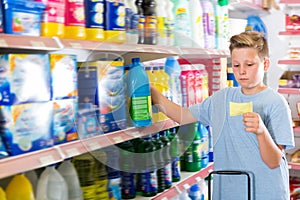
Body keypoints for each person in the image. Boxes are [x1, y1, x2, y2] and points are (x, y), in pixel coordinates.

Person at [150, 31, 295, 200]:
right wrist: (153, 92)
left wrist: (262, 132)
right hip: (229, 191)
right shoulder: (221, 99)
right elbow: (182, 116)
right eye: (236, 65)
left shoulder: (275, 103)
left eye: (249, 65)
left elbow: (274, 161)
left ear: (266, 64)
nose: (242, 72)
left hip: (265, 192)